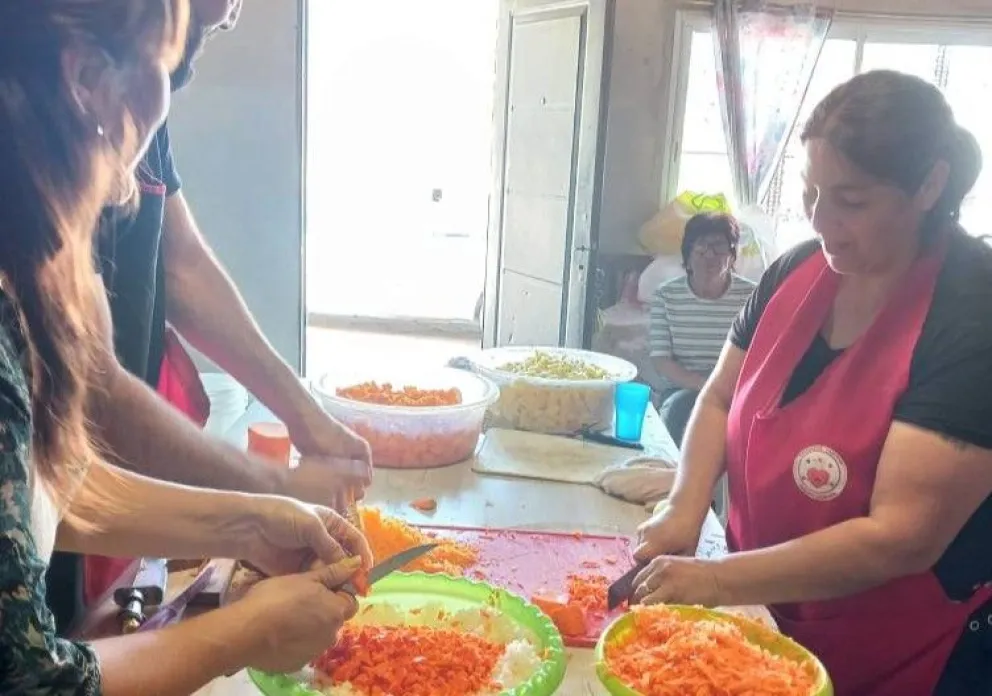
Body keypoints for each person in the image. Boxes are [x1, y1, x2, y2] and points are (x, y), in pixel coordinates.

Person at [0, 1, 371, 693]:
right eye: (165, 59)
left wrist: (253, 521)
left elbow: (50, 489)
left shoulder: (33, 251)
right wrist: (245, 631)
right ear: (85, 81)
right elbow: (31, 682)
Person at [632, 70, 992, 696]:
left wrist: (717, 582)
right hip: (765, 603)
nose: (822, 220)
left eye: (852, 201)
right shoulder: (794, 271)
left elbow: (898, 541)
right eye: (810, 192)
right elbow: (718, 397)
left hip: (904, 647)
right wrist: (683, 507)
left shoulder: (972, 314)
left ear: (930, 184)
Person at [649, 213, 754, 445]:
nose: (710, 255)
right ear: (688, 253)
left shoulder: (752, 297)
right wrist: (708, 388)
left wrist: (732, 390)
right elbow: (661, 361)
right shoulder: (666, 295)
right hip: (684, 389)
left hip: (737, 389)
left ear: (732, 253)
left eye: (719, 247)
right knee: (680, 411)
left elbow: (760, 354)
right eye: (702, 247)